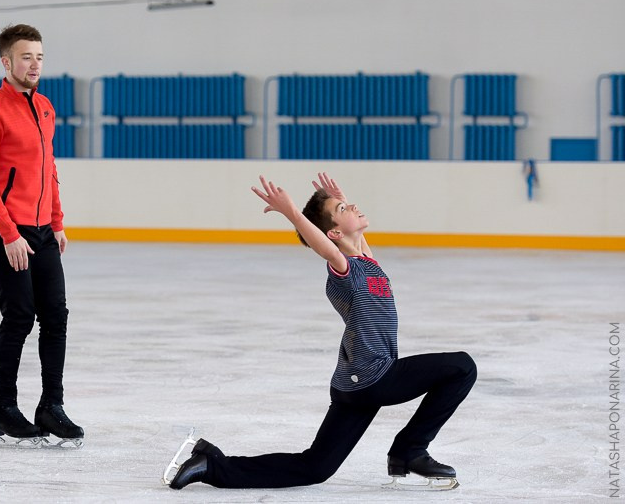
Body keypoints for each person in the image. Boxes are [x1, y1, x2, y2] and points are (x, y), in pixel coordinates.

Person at [167, 173, 475, 489]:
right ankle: (409, 450)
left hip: (354, 386)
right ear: (333, 232)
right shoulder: (346, 271)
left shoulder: (367, 262)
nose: (353, 206)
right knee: (462, 367)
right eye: (344, 208)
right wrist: (292, 213)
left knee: (315, 467)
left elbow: (354, 244)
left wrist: (341, 200)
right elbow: (329, 249)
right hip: (373, 377)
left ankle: (212, 465)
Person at [0, 24, 83, 446]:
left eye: (39, 56)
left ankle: (51, 407)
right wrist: (8, 233)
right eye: (25, 57)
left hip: (41, 232)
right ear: (6, 62)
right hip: (6, 232)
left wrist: (56, 222)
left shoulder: (46, 108)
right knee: (19, 315)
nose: (34, 64)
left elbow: (48, 169)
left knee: (56, 315)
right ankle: (3, 407)